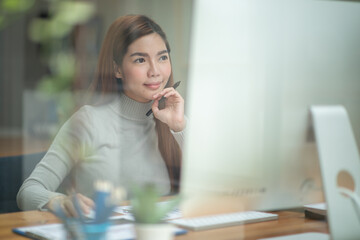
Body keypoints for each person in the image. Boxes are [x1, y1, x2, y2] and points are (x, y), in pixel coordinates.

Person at [17, 15, 185, 216]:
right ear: (117, 70)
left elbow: (208, 185)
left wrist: (179, 127)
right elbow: (28, 191)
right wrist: (60, 201)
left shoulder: (174, 121)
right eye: (140, 59)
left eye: (162, 57)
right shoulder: (89, 121)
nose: (155, 71)